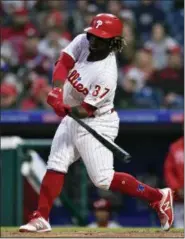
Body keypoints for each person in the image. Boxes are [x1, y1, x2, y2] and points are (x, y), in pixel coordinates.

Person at [19, 13, 174, 233]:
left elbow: (85, 110)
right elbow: (63, 62)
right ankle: (41, 217)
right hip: (71, 116)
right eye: (93, 35)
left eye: (100, 39)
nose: (93, 41)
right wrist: (56, 90)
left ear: (113, 42)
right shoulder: (84, 41)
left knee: (102, 179)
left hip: (97, 121)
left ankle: (158, 196)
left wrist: (65, 107)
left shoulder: (107, 74)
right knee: (56, 164)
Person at [164, 137, 184, 228]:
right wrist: (177, 188)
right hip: (180, 201)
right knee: (180, 230)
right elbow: (169, 171)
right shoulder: (175, 148)